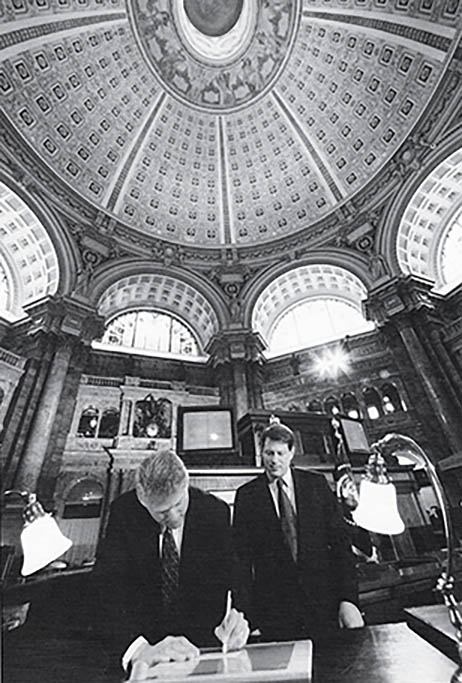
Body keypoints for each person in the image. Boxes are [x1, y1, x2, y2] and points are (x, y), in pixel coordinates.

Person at [92, 449, 249, 678]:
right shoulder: (124, 513)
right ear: (143, 501)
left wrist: (239, 616)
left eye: (179, 504)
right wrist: (138, 649)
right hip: (146, 652)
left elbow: (236, 576)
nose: (174, 518)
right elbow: (106, 590)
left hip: (202, 652)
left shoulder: (215, 512)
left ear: (187, 485)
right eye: (162, 513)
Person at [233, 422, 364, 643]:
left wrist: (348, 599)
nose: (274, 460)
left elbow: (341, 545)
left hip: (324, 605)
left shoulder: (316, 485)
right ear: (261, 453)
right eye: (269, 453)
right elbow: (241, 562)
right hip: (275, 614)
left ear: (292, 453)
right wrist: (247, 617)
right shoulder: (247, 496)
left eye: (280, 453)